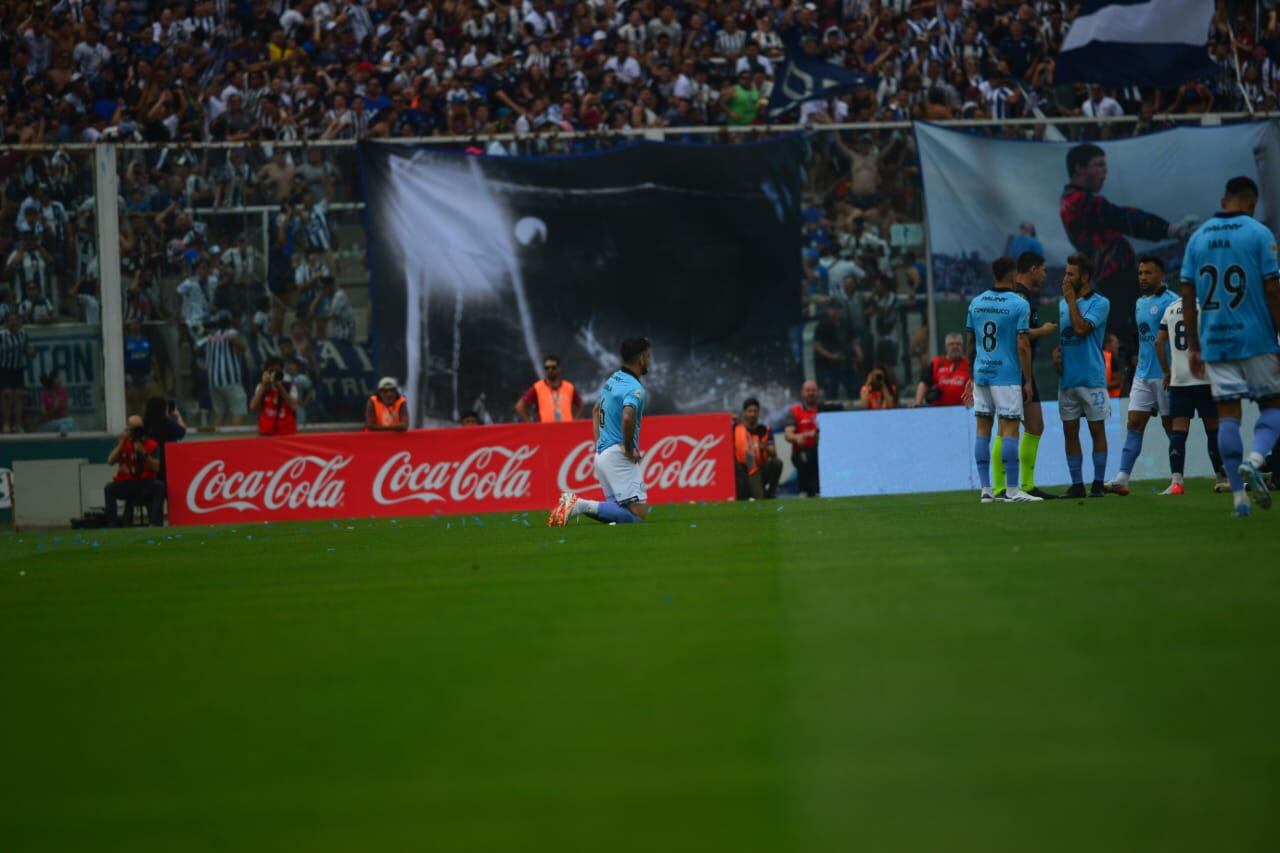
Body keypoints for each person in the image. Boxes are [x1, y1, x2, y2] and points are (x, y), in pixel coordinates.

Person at [1180, 176, 1280, 517]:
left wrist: (1194, 346)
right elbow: (1272, 289)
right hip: (1256, 338)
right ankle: (1255, 459)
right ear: (1251, 202)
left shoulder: (1197, 238)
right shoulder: (1258, 233)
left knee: (1227, 416)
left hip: (1216, 341)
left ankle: (1239, 498)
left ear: (1224, 199)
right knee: (1273, 406)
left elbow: (1188, 294)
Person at [1059, 143, 1197, 344]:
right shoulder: (1081, 202)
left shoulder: (1073, 200)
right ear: (1079, 168)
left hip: (1111, 279)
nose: (1104, 171)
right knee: (1136, 335)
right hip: (1116, 280)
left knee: (1131, 334)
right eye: (1098, 165)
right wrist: (1170, 229)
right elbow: (1125, 218)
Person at [550, 337, 653, 526]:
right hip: (618, 456)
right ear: (640, 359)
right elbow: (628, 418)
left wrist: (600, 445)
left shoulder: (612, 380)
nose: (649, 360)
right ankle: (578, 504)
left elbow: (595, 410)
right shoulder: (634, 388)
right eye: (648, 356)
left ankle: (578, 505)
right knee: (637, 516)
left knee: (618, 513)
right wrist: (629, 449)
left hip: (602, 454)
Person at [964, 257, 1039, 503]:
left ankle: (985, 490)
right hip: (1006, 375)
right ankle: (1013, 490)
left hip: (982, 372)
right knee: (1009, 429)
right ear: (1013, 275)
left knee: (982, 431)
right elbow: (1023, 343)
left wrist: (970, 375)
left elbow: (970, 343)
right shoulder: (1019, 303)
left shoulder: (976, 303)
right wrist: (1027, 379)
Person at [1105, 256, 1179, 495]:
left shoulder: (1173, 302)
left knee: (1171, 427)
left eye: (1148, 273)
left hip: (1166, 375)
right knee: (1134, 423)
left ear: (1161, 275)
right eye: (1140, 273)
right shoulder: (1139, 303)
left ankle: (1177, 480)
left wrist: (1172, 370)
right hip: (1143, 375)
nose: (1143, 277)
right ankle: (1122, 479)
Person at [993, 252, 1059, 500]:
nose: (1044, 274)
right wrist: (1043, 331)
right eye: (1042, 269)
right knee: (1009, 427)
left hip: (1017, 368)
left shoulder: (1025, 295)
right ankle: (1002, 487)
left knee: (1033, 425)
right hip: (1015, 369)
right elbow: (1017, 335)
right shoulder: (1020, 296)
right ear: (1032, 269)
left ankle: (1025, 484)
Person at [1156, 296, 1229, 495]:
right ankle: (1222, 478)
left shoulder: (1171, 309)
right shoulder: (1207, 306)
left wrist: (1167, 371)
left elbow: (1158, 342)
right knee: (1213, 429)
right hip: (1205, 378)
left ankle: (1177, 482)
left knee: (1178, 430)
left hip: (1180, 380)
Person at [1058, 254, 1112, 498]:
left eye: (1071, 274)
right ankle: (1077, 484)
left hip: (1092, 380)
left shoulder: (1100, 303)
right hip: (1068, 379)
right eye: (1066, 273)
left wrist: (1071, 301)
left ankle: (1098, 483)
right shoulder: (1062, 304)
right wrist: (1056, 356)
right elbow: (1067, 338)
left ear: (1085, 277)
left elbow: (1080, 330)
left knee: (1096, 430)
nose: (1066, 278)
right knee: (1070, 430)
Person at [104, 415, 164, 527]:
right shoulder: (122, 443)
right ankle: (112, 524)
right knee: (109, 489)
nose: (137, 432)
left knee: (159, 486)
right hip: (127, 482)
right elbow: (110, 461)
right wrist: (122, 443)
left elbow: (156, 467)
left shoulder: (151, 444)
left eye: (139, 428)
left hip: (145, 482)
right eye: (133, 429)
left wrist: (143, 453)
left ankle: (155, 523)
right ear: (128, 429)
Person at [196, 311, 248, 427]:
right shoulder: (232, 333)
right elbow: (242, 349)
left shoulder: (211, 336)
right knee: (239, 407)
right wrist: (236, 340)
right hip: (229, 379)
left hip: (213, 380)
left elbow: (197, 348)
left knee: (219, 412)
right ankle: (235, 439)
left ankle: (217, 440)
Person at [734, 397, 782, 500]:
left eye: (755, 411)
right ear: (744, 413)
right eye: (750, 411)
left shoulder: (765, 430)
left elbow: (774, 454)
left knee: (777, 463)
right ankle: (758, 493)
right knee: (760, 498)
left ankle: (771, 493)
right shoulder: (737, 429)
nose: (752, 414)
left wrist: (765, 447)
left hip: (762, 467)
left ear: (759, 413)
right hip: (746, 470)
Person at [515, 355, 583, 422]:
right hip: (545, 430)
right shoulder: (537, 387)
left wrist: (575, 422)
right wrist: (531, 425)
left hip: (567, 429)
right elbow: (519, 406)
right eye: (547, 368)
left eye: (553, 368)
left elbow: (580, 404)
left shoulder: (569, 387)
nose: (550, 370)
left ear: (559, 369)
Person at [784, 380, 822, 497]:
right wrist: (797, 437)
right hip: (801, 452)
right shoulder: (794, 411)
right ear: (802, 393)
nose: (811, 393)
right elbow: (788, 434)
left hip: (822, 452)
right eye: (808, 390)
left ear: (818, 392)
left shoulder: (825, 410)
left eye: (813, 390)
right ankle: (804, 491)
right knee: (805, 457)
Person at [914, 332, 970, 407]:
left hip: (962, 408)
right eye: (951, 344)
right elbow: (924, 382)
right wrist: (918, 402)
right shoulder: (937, 362)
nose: (955, 347)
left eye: (958, 344)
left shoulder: (969, 364)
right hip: (938, 409)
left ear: (962, 346)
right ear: (946, 346)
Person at [0, 312, 34, 433]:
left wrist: (30, 352)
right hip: (4, 368)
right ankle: (6, 424)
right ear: (6, 323)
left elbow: (26, 347)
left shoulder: (23, 333)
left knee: (19, 395)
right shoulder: (2, 335)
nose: (14, 322)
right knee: (7, 395)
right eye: (12, 320)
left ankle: (18, 424)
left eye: (16, 320)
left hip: (18, 368)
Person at [142, 396, 187, 485]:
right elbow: (182, 431)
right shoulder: (167, 424)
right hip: (167, 465)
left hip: (148, 466)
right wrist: (178, 416)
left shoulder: (144, 424)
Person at [250, 357, 300, 437]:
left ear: (282, 371)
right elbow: (253, 406)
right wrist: (263, 384)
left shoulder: (290, 387)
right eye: (271, 371)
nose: (274, 373)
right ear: (266, 372)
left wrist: (280, 387)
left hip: (287, 433)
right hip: (266, 434)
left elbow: (294, 406)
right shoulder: (262, 387)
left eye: (277, 370)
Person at [1103, 333, 1123, 398]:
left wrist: (1102, 387)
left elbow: (1118, 381)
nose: (1118, 346)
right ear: (1107, 345)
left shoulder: (1113, 358)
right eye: (1115, 343)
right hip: (1106, 397)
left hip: (1113, 397)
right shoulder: (1109, 357)